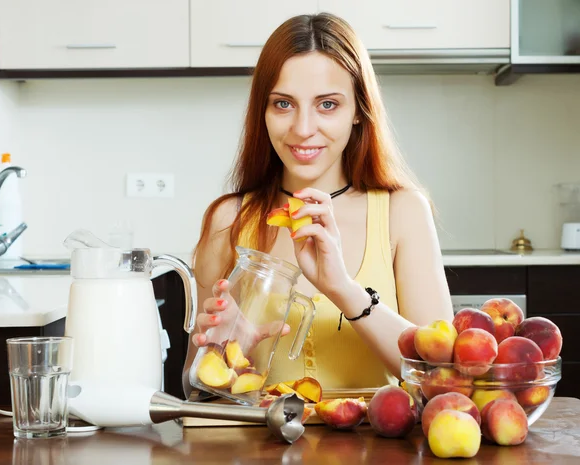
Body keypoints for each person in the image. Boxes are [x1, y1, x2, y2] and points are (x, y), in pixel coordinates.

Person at [182, 12, 453, 399]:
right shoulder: (228, 219)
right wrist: (230, 353)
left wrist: (343, 288)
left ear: (359, 110)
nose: (303, 128)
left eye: (327, 104)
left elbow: (441, 379)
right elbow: (197, 396)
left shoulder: (403, 212)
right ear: (263, 111)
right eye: (283, 104)